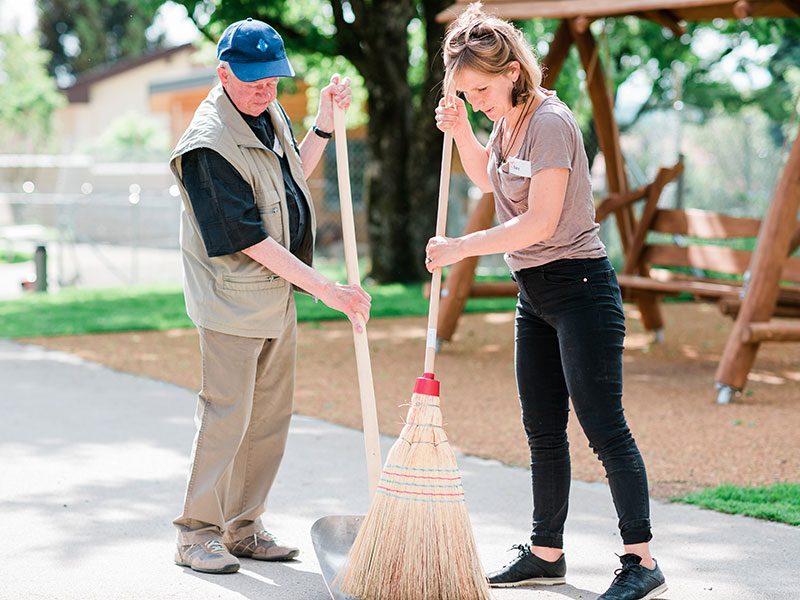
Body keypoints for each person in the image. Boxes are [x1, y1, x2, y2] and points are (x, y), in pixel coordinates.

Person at [426, 5, 667, 600]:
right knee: (542, 431)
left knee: (604, 430)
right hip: (533, 294)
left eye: (480, 88)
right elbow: (488, 180)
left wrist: (462, 247)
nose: (476, 99)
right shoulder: (507, 121)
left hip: (581, 289)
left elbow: (539, 222)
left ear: (512, 69)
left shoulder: (550, 122)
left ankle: (641, 561)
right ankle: (546, 552)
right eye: (464, 91)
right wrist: (461, 131)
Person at [169, 17, 371, 575]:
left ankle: (243, 527)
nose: (266, 88)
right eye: (255, 79)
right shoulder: (207, 145)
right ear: (223, 72)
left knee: (270, 418)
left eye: (274, 79)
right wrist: (329, 290)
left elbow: (290, 183)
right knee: (226, 417)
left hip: (275, 296)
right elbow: (249, 238)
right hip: (231, 299)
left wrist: (325, 126)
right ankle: (195, 534)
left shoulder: (267, 113)